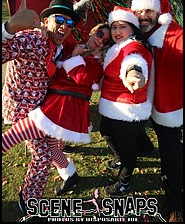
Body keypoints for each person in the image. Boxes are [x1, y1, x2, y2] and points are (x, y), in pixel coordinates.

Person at [2, 23, 111, 212]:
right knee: (51, 148)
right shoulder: (73, 46)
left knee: (9, 138)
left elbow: (83, 79)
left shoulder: (97, 62)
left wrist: (75, 58)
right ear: (93, 30)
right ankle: (70, 174)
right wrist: (43, 29)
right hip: (49, 104)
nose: (100, 40)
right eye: (100, 33)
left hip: (61, 110)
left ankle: (30, 198)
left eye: (106, 40)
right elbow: (59, 34)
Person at [2, 0, 82, 215]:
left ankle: (70, 174)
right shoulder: (33, 39)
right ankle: (29, 201)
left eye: (70, 23)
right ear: (46, 21)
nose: (64, 27)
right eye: (59, 20)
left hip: (45, 111)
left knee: (53, 146)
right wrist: (8, 28)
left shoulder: (61, 48)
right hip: (23, 110)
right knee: (42, 155)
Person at [130, 0, 183, 222]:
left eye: (148, 11)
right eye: (139, 11)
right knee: (117, 130)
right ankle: (143, 146)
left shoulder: (173, 34)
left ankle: (176, 204)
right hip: (142, 103)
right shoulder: (135, 32)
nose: (143, 16)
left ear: (159, 12)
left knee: (171, 154)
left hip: (168, 106)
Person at [98, 6, 153, 196]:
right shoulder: (115, 47)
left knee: (128, 148)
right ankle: (123, 156)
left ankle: (124, 182)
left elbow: (133, 60)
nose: (117, 31)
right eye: (114, 27)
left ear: (133, 29)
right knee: (105, 131)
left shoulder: (134, 46)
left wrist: (134, 72)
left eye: (122, 26)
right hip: (112, 105)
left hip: (128, 108)